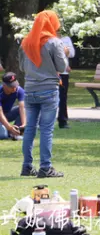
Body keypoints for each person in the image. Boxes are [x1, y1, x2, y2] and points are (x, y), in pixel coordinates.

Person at [19, 10, 68, 177]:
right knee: (46, 130)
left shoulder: (26, 42)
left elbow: (21, 67)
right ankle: (45, 167)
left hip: (30, 90)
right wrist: (65, 54)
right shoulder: (54, 42)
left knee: (30, 129)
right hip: (48, 90)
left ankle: (27, 167)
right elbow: (62, 67)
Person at [0, 73, 26, 140]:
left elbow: (22, 108)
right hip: (1, 115)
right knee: (3, 136)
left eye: (15, 85)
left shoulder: (19, 90)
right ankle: (10, 132)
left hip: (7, 114)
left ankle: (16, 132)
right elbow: (0, 114)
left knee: (26, 108)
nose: (14, 88)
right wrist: (9, 128)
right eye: (11, 86)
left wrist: (23, 125)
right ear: (4, 85)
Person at [58, 36, 74, 129]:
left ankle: (63, 120)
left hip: (63, 73)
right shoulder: (48, 38)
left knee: (63, 97)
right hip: (51, 73)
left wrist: (66, 52)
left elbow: (71, 54)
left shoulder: (66, 39)